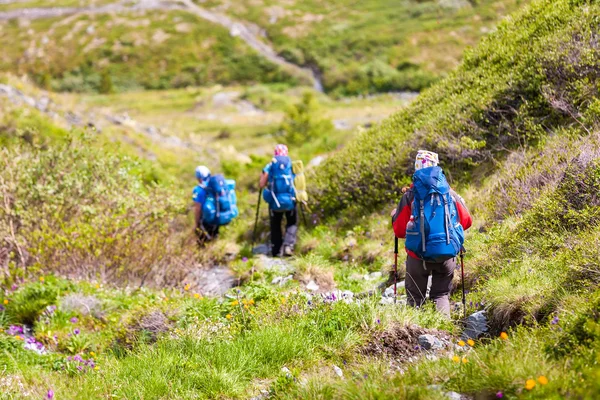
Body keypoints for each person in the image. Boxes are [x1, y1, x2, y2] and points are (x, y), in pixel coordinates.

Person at [391, 150, 472, 317]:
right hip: (446, 253)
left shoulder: (410, 195)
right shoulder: (449, 193)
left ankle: (415, 336)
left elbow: (399, 231)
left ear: (416, 168)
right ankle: (444, 336)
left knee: (415, 299)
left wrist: (395, 217)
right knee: (441, 295)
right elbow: (467, 222)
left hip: (417, 256)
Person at [260, 144, 298, 257]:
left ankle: (276, 250)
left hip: (274, 201)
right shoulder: (291, 165)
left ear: (275, 153)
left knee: (275, 224)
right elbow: (299, 181)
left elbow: (261, 184)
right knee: (292, 222)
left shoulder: (270, 165)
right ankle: (288, 245)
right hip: (290, 200)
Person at [192, 165, 219, 244]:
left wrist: (196, 223)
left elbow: (198, 208)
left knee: (202, 243)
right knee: (214, 239)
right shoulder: (214, 186)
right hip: (216, 217)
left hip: (205, 220)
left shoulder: (198, 190)